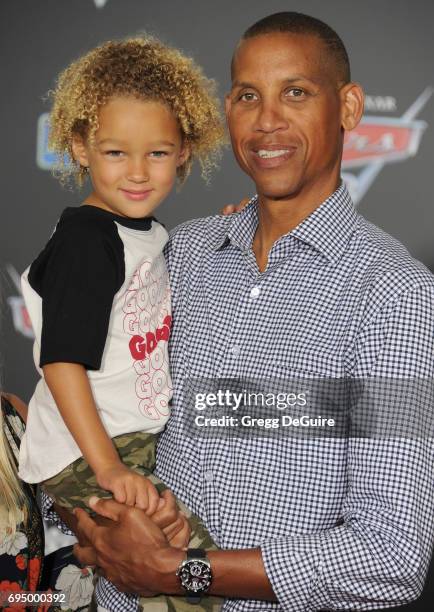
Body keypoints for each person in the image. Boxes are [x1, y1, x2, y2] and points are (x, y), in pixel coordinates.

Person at [71, 12, 434, 611]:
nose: (268, 120)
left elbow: (391, 553)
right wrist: (96, 531)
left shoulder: (392, 294)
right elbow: (103, 418)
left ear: (347, 107)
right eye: (247, 96)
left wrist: (176, 572)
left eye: (296, 92)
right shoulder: (179, 252)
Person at [19, 36, 225, 611]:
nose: (137, 172)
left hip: (129, 448)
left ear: (185, 150)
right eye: (115, 153)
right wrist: (108, 467)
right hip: (90, 452)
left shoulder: (144, 234)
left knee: (176, 556)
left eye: (157, 153)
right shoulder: (89, 240)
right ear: (81, 147)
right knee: (183, 573)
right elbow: (61, 363)